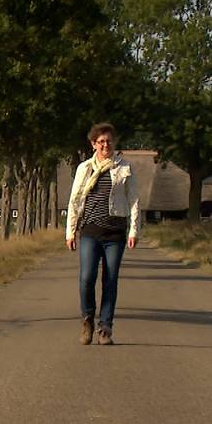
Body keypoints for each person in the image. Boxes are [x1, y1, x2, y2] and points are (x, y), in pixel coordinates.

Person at [65, 123, 140, 345]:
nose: (105, 145)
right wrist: (70, 232)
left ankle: (105, 327)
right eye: (101, 141)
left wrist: (134, 229)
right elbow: (75, 199)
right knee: (87, 277)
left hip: (115, 232)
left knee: (110, 279)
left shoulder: (125, 167)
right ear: (93, 144)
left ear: (113, 142)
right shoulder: (84, 168)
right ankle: (87, 319)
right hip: (89, 230)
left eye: (108, 141)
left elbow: (134, 199)